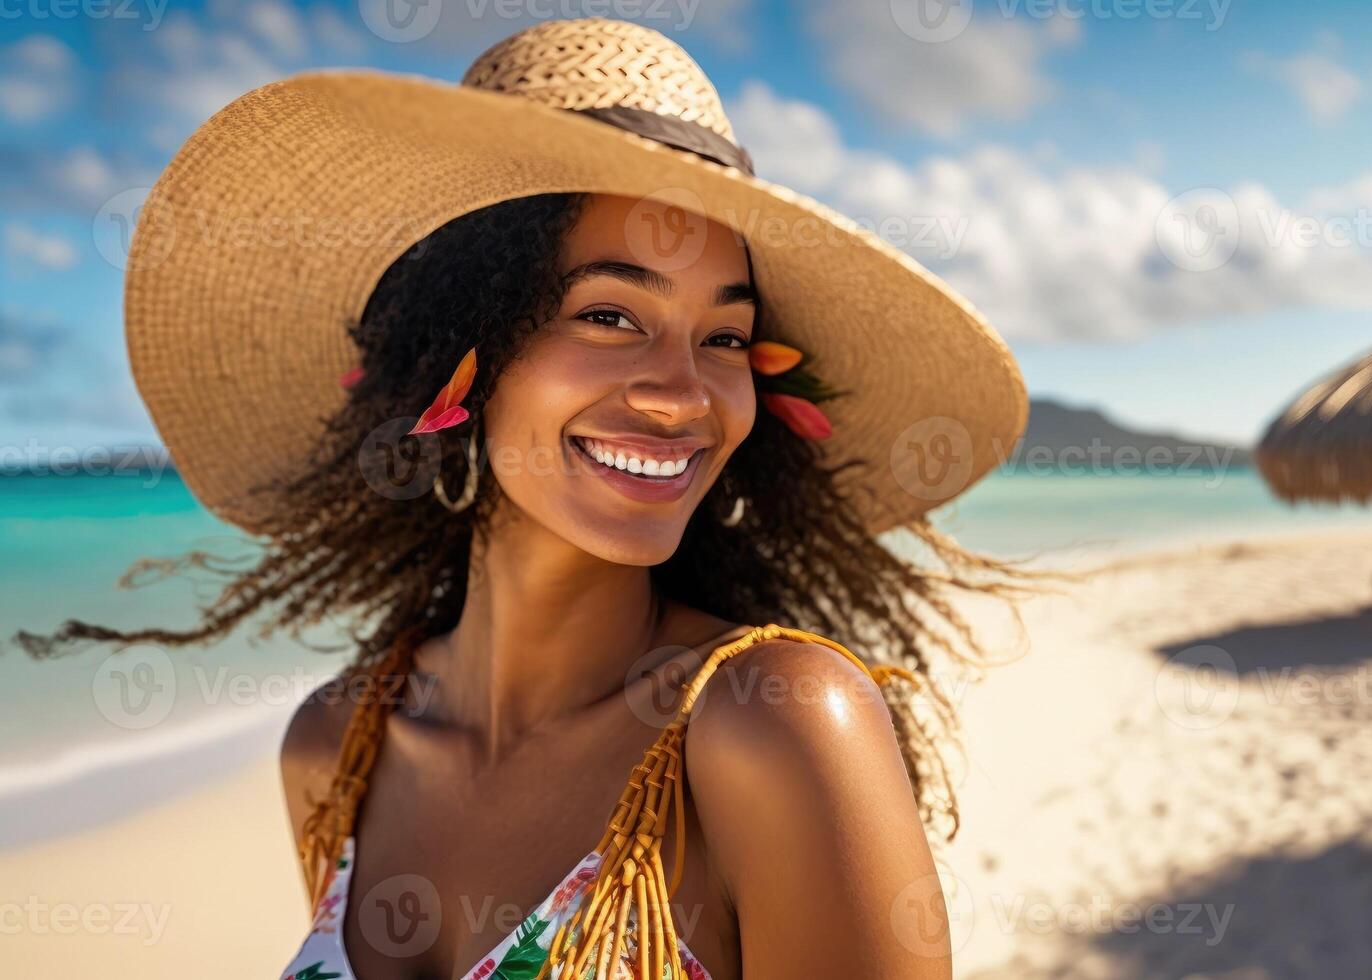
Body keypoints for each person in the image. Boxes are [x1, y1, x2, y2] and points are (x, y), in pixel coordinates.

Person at [17, 17, 1029, 980]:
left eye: (723, 336)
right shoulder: (338, 744)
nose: (682, 391)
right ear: (460, 357)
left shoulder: (773, 723)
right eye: (608, 313)